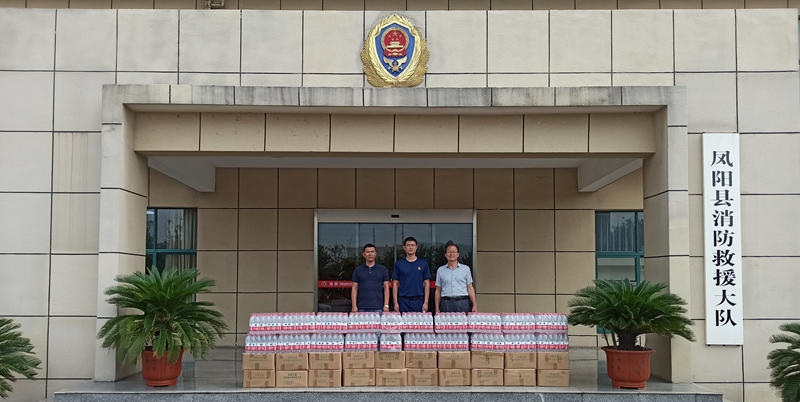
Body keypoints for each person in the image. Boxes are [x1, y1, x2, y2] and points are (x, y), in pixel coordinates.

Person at [435, 240, 477, 314]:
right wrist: (437, 307)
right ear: (445, 255)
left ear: (458, 254)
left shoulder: (466, 269)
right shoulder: (440, 270)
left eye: (454, 252)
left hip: (462, 302)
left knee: (463, 322)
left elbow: (470, 287)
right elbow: (438, 290)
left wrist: (474, 305)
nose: (451, 254)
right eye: (449, 252)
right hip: (446, 303)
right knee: (446, 322)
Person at [392, 236, 431, 313]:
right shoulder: (399, 264)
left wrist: (426, 302)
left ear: (416, 247)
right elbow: (395, 284)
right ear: (404, 247)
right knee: (403, 321)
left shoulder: (423, 263)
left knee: (418, 321)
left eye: (413, 245)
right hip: (403, 300)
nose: (410, 247)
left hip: (418, 301)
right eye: (408, 245)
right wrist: (395, 302)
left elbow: (427, 283)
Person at [351, 243, 390, 313]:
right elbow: (354, 288)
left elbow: (386, 287)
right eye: (368, 252)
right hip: (362, 306)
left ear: (375, 254)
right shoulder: (358, 270)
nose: (370, 254)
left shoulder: (382, 269)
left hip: (378, 307)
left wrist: (386, 305)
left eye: (372, 252)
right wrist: (354, 305)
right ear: (364, 254)